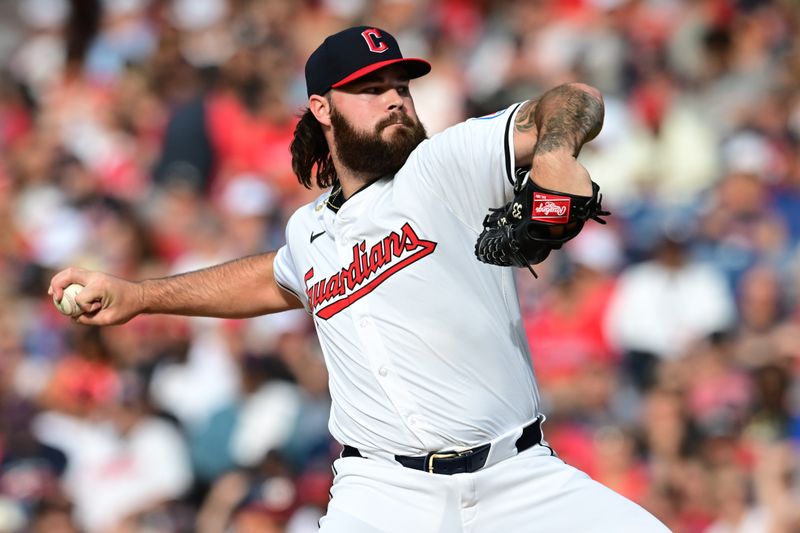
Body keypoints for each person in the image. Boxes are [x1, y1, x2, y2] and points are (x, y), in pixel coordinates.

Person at [50, 26, 670, 532]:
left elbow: (574, 99)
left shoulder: (443, 167)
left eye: (400, 85)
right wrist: (140, 296)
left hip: (519, 479)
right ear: (321, 107)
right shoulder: (308, 231)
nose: (395, 98)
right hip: (384, 493)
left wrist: (556, 152)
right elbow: (271, 280)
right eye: (370, 89)